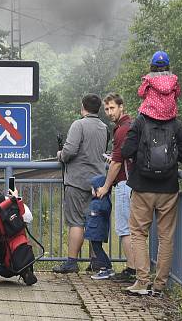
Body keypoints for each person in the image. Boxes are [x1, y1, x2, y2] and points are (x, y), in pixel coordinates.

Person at [121, 60, 182, 297]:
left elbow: (126, 151)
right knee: (166, 237)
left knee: (139, 233)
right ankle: (160, 286)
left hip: (142, 187)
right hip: (168, 189)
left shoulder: (140, 121)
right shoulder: (176, 124)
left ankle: (142, 282)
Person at [53, 94, 108, 273]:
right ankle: (96, 261)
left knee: (76, 222)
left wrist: (60, 154)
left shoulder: (78, 125)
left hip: (77, 181)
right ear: (99, 108)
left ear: (82, 107)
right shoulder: (104, 127)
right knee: (94, 221)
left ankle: (71, 262)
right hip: (98, 182)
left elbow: (69, 151)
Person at [95, 92, 136, 282]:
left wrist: (105, 186)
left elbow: (118, 163)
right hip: (133, 183)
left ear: (121, 107)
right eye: (107, 109)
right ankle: (136, 269)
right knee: (133, 229)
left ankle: (132, 270)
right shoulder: (131, 126)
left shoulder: (121, 131)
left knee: (124, 229)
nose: (109, 112)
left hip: (124, 184)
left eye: (112, 108)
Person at [137, 50, 180, 121]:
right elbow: (177, 93)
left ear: (152, 65)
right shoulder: (174, 78)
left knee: (137, 123)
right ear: (167, 66)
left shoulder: (149, 78)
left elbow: (141, 93)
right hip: (170, 114)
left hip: (150, 113)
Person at [85, 174, 113, 280]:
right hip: (99, 230)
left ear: (99, 190)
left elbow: (93, 217)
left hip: (95, 231)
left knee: (97, 250)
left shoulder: (98, 203)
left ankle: (103, 269)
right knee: (99, 249)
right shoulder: (106, 202)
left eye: (93, 189)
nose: (91, 191)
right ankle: (108, 267)